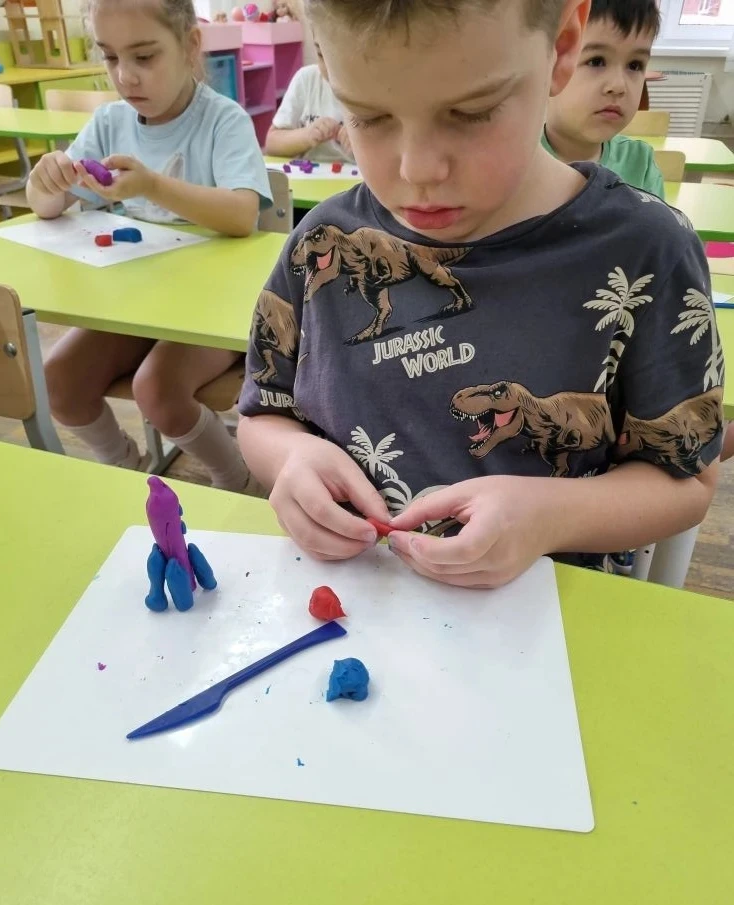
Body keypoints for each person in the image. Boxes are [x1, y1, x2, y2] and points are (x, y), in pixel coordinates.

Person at [237, 0, 723, 589]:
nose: (418, 169)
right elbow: (262, 415)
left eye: (472, 112)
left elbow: (685, 482)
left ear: (561, 48)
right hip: (348, 603)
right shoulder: (320, 243)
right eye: (368, 116)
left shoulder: (649, 250)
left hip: (543, 616)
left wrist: (549, 517)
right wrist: (290, 458)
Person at [27, 0, 271, 492]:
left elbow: (243, 214)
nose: (125, 76)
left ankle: (238, 481)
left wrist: (153, 186)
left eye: (144, 56)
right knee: (58, 381)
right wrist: (45, 183)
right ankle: (127, 468)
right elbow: (48, 207)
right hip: (136, 307)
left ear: (190, 46)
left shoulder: (223, 120)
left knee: (156, 389)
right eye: (110, 57)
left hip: (214, 310)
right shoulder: (109, 123)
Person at [543, 0, 664, 198]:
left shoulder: (640, 165)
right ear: (549, 64)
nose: (618, 86)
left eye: (634, 65)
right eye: (596, 61)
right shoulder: (517, 159)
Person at [265, 59, 354, 163]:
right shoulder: (306, 78)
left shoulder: (370, 85)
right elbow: (272, 144)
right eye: (321, 56)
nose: (330, 66)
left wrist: (364, 140)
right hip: (309, 169)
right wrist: (307, 135)